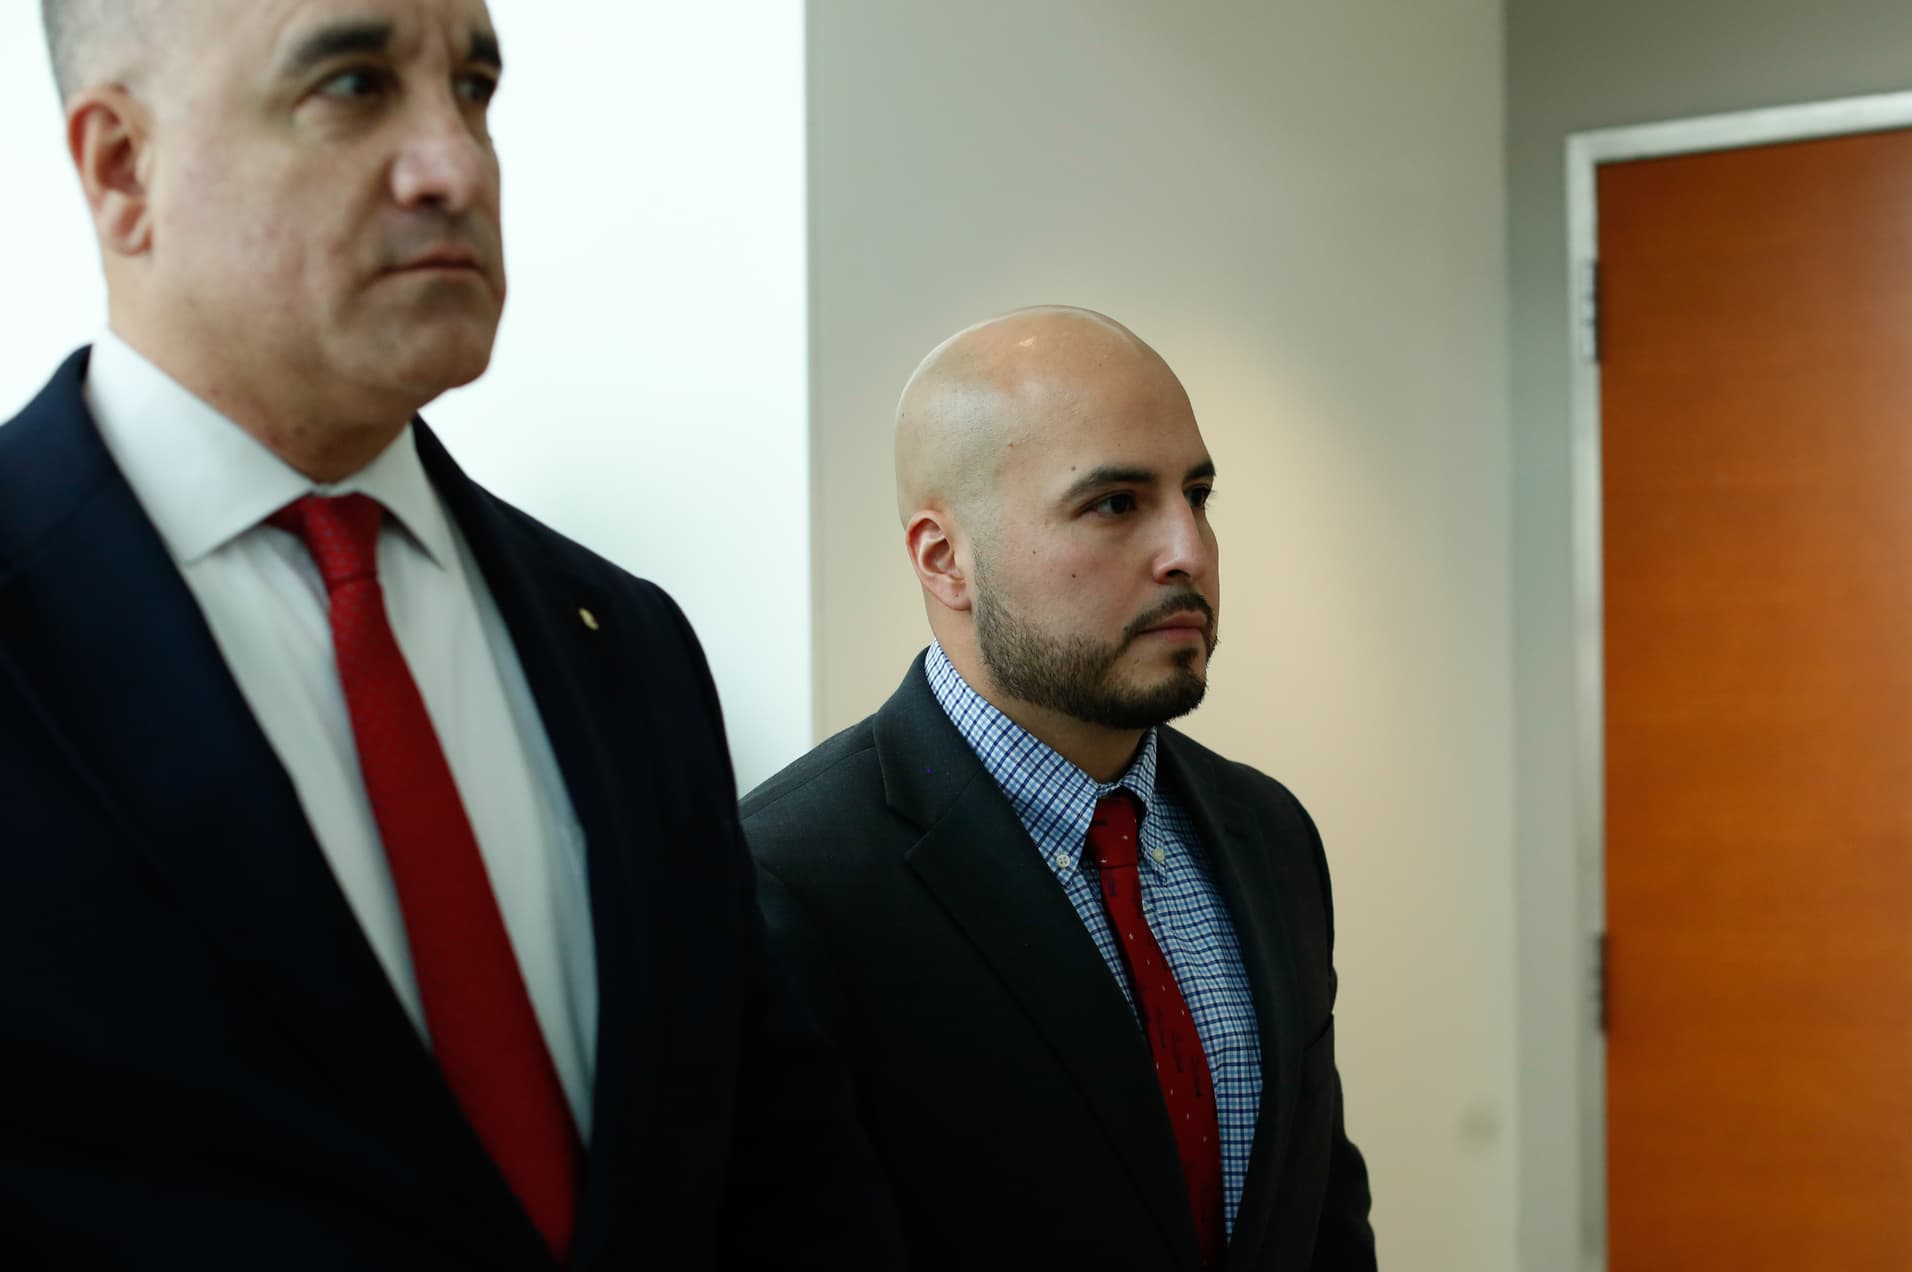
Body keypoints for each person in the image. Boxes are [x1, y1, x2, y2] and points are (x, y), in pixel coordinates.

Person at [0, 1, 901, 1267]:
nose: (457, 164)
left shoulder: (625, 645)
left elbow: (783, 1173)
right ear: (121, 167)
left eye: (474, 87)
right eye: (354, 84)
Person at [743, 306, 1376, 1270]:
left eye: (1197, 495)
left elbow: (1322, 1215)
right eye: (1116, 503)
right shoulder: (787, 883)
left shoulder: (1268, 833)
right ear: (943, 558)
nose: (1189, 552)